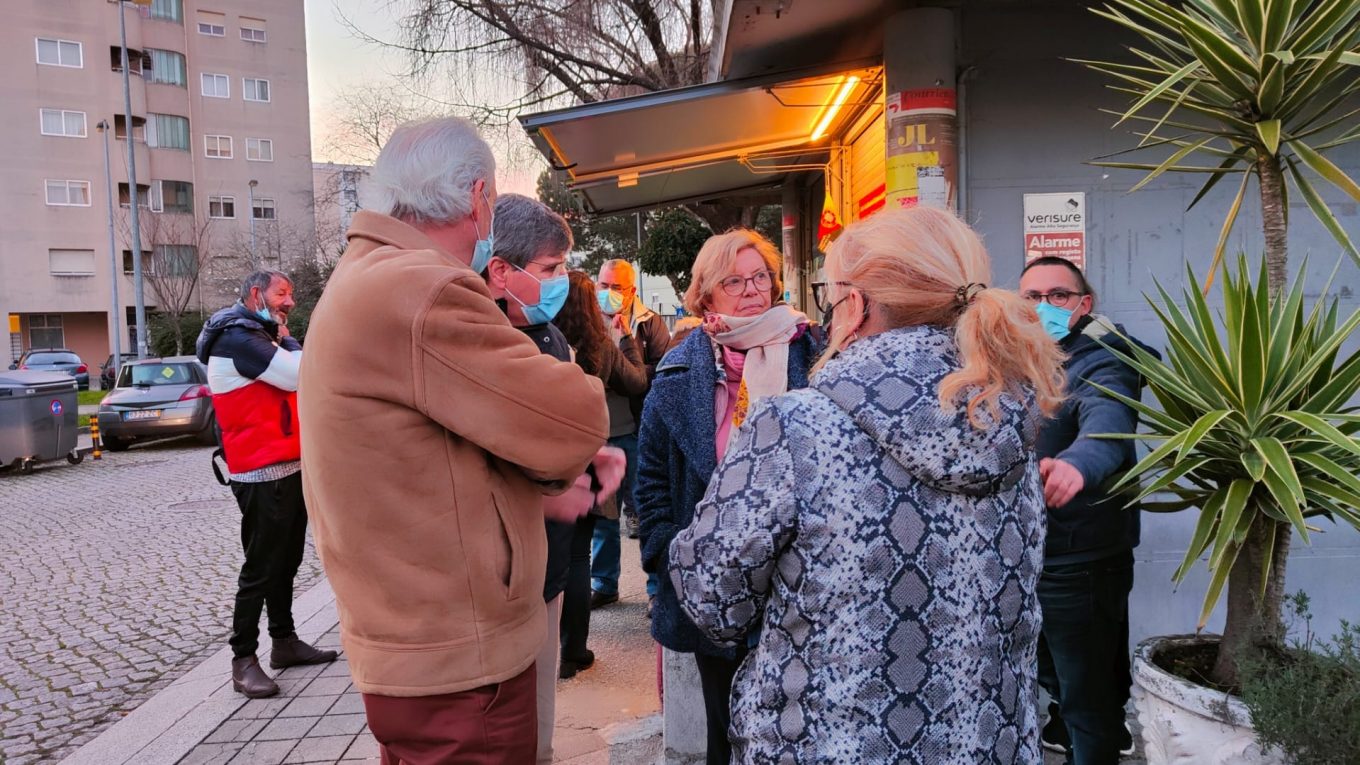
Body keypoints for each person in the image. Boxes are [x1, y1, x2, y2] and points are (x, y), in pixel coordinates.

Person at [669, 207, 1067, 764]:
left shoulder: (792, 426)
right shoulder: (1008, 418)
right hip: (985, 745)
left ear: (854, 306)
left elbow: (712, 596)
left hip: (826, 745)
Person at [296, 117, 622, 764]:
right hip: (462, 663)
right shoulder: (424, 287)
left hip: (417, 649)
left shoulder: (366, 275)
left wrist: (535, 491)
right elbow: (574, 418)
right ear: (479, 199)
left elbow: (426, 463)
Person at [635, 228, 821, 765]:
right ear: (706, 295)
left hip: (802, 576)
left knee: (799, 728)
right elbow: (650, 482)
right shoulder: (678, 370)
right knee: (725, 732)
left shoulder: (815, 350)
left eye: (760, 276)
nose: (751, 290)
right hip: (713, 582)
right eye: (733, 281)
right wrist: (670, 555)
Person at [481, 193, 601, 764]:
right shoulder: (475, 340)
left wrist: (586, 461)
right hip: (497, 584)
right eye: (550, 270)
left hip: (546, 567)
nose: (560, 283)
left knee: (540, 729)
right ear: (502, 270)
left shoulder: (549, 334)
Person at [1020, 256, 1154, 765]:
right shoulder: (1023, 357)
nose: (1044, 307)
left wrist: (1077, 466)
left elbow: (1109, 424)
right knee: (1051, 668)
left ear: (1083, 304)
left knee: (1089, 696)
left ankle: (1093, 743)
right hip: (1034, 550)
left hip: (1081, 556)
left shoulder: (1102, 359)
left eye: (1058, 296)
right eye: (1031, 297)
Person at [196, 269, 338, 699]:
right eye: (283, 293)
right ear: (256, 294)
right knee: (260, 568)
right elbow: (300, 375)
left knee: (288, 560)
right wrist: (291, 340)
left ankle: (284, 642)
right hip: (259, 474)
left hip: (287, 468)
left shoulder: (258, 334)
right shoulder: (237, 337)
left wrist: (284, 339)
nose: (290, 302)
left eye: (292, 294)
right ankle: (242, 660)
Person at [554, 271, 649, 677]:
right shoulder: (601, 345)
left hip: (545, 459)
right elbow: (638, 382)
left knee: (550, 555)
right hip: (593, 450)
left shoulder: (541, 339)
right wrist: (626, 340)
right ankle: (574, 650)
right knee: (579, 554)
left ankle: (545, 650)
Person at [591, 259, 670, 608]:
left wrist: (626, 353)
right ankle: (604, 584)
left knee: (647, 512)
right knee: (603, 518)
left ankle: (655, 590)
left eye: (616, 288)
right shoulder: (587, 322)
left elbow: (659, 373)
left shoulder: (648, 323)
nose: (608, 294)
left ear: (632, 290)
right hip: (598, 434)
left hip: (637, 434)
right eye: (603, 286)